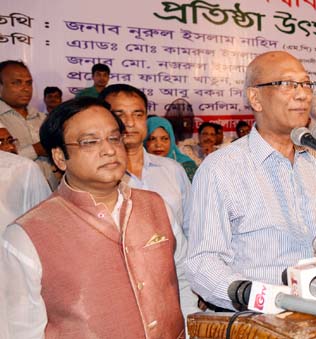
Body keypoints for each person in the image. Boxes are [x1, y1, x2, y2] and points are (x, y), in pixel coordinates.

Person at [184, 51, 316, 310]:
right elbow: (203, 264)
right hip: (261, 320)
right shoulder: (220, 169)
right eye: (288, 84)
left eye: (306, 84)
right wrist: (262, 299)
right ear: (255, 98)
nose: (302, 95)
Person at [2, 97, 187, 338]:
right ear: (59, 157)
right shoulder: (26, 236)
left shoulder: (156, 206)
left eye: (114, 138)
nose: (109, 150)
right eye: (90, 142)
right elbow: (21, 331)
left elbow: (182, 280)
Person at [99, 84, 191, 232]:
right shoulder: (96, 177)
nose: (129, 122)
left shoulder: (172, 169)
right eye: (119, 114)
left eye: (138, 114)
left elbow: (192, 227)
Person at [0, 60, 57, 189]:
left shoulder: (43, 118)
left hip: (50, 194)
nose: (25, 88)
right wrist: (36, 150)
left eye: (29, 83)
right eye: (16, 82)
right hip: (11, 197)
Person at [0, 122, 51, 228]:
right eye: (0, 143)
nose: (10, 147)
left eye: (10, 141)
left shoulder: (27, 170)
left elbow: (45, 217)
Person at [145, 116, 197, 182]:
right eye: (152, 139)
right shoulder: (137, 167)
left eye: (164, 139)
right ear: (144, 141)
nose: (158, 144)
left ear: (171, 140)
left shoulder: (186, 166)